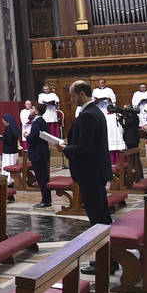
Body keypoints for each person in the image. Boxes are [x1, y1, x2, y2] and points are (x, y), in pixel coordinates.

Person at [57, 80, 114, 273]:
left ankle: (103, 262)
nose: (71, 100)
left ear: (82, 94)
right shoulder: (96, 112)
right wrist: (70, 142)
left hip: (90, 172)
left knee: (97, 219)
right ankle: (109, 259)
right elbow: (87, 141)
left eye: (73, 96)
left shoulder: (88, 115)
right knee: (102, 216)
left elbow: (85, 148)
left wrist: (66, 149)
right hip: (96, 172)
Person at [92, 79, 124, 167]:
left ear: (105, 83)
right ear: (98, 83)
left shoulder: (109, 90)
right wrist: (97, 100)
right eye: (100, 83)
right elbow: (93, 101)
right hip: (100, 111)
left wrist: (108, 99)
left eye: (103, 83)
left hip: (108, 110)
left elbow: (113, 100)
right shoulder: (95, 91)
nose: (101, 84)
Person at [25, 117, 52, 208]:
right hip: (42, 152)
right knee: (44, 177)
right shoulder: (43, 121)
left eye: (32, 108)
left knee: (41, 178)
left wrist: (26, 136)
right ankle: (47, 199)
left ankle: (45, 200)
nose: (31, 109)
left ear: (36, 111)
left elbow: (33, 138)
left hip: (37, 153)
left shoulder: (36, 122)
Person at [0, 114, 21, 187]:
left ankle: (9, 180)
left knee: (8, 165)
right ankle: (14, 179)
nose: (2, 121)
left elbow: (8, 140)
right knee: (13, 164)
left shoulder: (8, 128)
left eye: (3, 120)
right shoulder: (13, 127)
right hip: (14, 150)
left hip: (9, 151)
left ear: (6, 121)